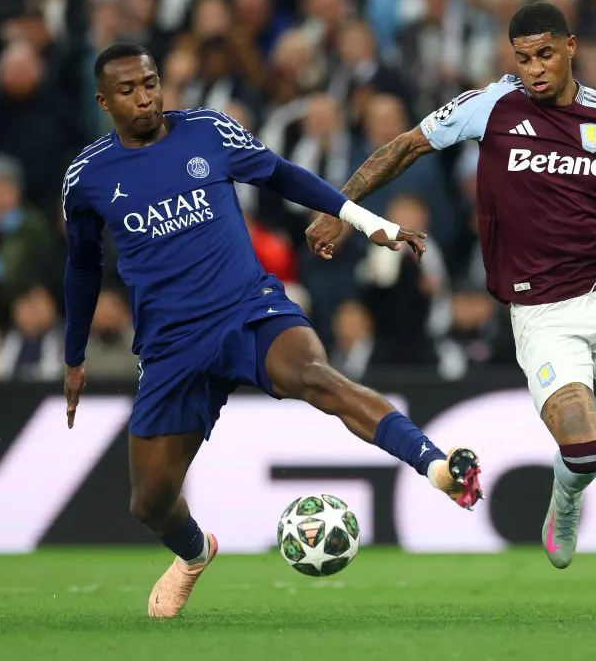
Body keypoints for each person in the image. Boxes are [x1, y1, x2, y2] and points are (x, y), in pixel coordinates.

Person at [307, 3, 596, 617]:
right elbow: (403, 148)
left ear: (571, 47)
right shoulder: (489, 107)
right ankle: (568, 491)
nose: (533, 68)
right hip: (541, 313)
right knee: (587, 451)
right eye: (523, 58)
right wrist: (340, 211)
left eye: (545, 55)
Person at [62, 44, 483, 618]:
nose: (146, 97)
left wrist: (368, 222)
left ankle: (437, 465)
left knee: (314, 376)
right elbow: (83, 265)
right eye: (130, 90)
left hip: (246, 309)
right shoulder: (86, 177)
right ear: (103, 100)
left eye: (152, 82)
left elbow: (283, 176)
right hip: (170, 344)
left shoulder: (208, 132)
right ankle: (192, 554)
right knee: (150, 502)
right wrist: (74, 353)